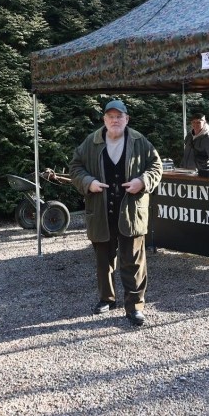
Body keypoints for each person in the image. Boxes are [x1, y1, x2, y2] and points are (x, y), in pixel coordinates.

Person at [69, 100, 163, 327]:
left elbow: (156, 166)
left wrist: (142, 181)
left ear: (127, 119)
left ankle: (135, 306)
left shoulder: (140, 141)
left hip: (131, 210)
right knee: (104, 260)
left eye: (119, 116)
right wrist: (88, 182)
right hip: (100, 210)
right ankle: (106, 299)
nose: (115, 120)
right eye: (110, 116)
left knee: (133, 261)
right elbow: (75, 167)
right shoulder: (91, 142)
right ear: (104, 120)